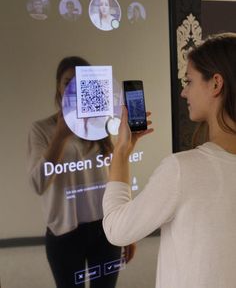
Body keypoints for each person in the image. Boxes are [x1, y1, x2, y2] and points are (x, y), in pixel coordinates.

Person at [102, 32, 236, 288]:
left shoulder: (182, 169)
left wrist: (120, 153)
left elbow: (117, 230)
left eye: (190, 81)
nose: (184, 93)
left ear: (216, 84)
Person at [27, 56, 135, 288]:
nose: (73, 90)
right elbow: (38, 184)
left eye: (80, 83)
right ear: (58, 85)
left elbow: (119, 175)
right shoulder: (42, 129)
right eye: (68, 83)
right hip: (64, 232)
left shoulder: (104, 126)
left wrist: (128, 227)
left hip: (106, 227)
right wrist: (61, 136)